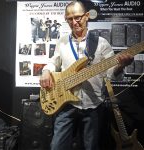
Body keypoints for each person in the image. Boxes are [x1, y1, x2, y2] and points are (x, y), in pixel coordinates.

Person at [39, 1, 133, 150]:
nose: (74, 22)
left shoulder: (101, 43)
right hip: (66, 104)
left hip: (93, 105)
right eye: (69, 19)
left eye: (77, 17)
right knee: (57, 146)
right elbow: (53, 62)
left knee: (90, 147)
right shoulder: (62, 42)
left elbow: (111, 74)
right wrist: (45, 72)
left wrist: (121, 65)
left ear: (87, 16)